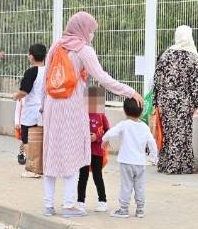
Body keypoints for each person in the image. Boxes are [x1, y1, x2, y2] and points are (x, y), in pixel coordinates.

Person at [40, 12, 143, 218]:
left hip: (52, 105)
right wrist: (130, 91)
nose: (92, 34)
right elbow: (103, 78)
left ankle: (48, 205)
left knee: (51, 153)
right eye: (91, 30)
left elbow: (47, 78)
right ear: (84, 29)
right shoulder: (83, 50)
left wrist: (43, 107)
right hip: (71, 106)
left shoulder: (56, 45)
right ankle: (69, 205)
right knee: (73, 152)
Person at [152, 25, 198, 174]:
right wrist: (196, 103)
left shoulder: (166, 55)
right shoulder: (193, 57)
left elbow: (157, 80)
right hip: (183, 100)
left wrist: (156, 101)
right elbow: (195, 83)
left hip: (165, 99)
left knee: (168, 131)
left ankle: (165, 164)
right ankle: (179, 166)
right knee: (182, 132)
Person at [103, 97, 158, 218]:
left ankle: (123, 209)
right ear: (141, 111)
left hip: (126, 161)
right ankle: (140, 209)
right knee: (140, 186)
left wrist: (104, 140)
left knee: (126, 185)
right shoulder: (144, 127)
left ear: (125, 110)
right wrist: (154, 157)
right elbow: (152, 142)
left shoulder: (124, 125)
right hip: (140, 163)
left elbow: (111, 132)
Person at [11, 43, 46, 167]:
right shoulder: (49, 71)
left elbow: (24, 92)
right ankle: (42, 164)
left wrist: (15, 96)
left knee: (27, 138)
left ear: (31, 57)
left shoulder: (31, 72)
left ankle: (33, 166)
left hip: (31, 110)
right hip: (45, 110)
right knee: (42, 138)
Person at [78, 86, 110, 212]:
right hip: (84, 151)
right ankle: (80, 202)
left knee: (98, 176)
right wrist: (85, 136)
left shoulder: (101, 115)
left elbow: (108, 131)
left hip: (97, 151)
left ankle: (102, 201)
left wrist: (97, 137)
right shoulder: (81, 114)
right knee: (83, 176)